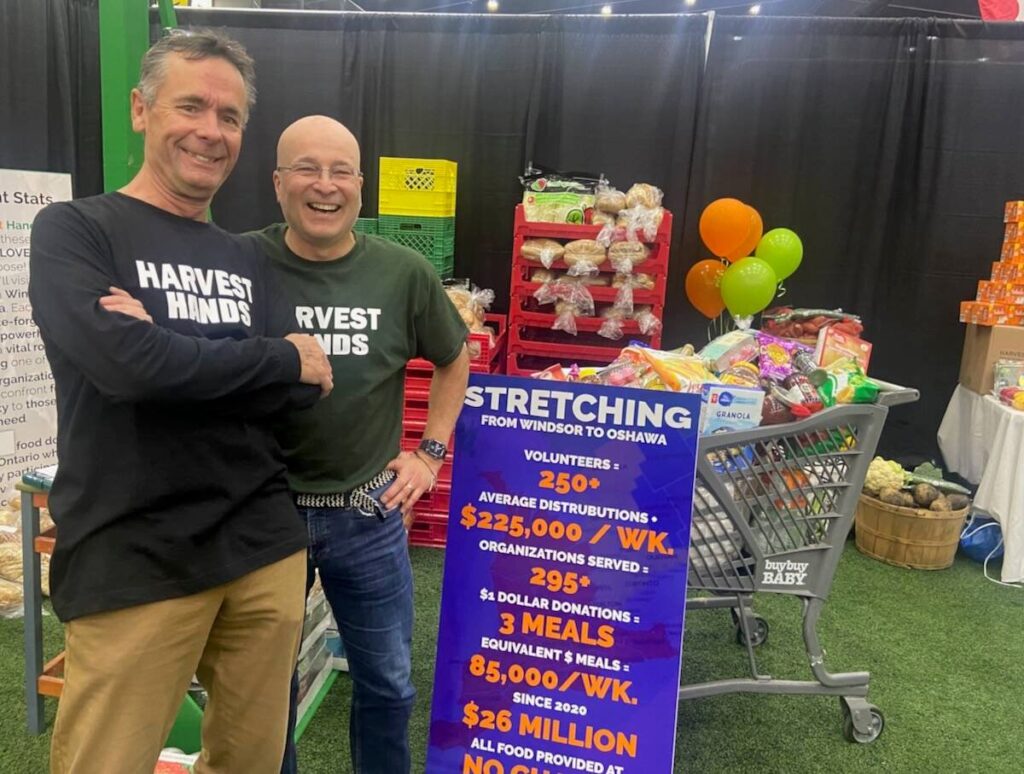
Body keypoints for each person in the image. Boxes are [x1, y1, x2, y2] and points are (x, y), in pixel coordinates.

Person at [29, 31, 334, 774]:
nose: (210, 130)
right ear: (141, 109)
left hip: (263, 549)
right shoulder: (76, 230)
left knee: (252, 762)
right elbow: (128, 369)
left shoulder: (246, 257)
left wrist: (170, 349)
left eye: (229, 116)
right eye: (190, 106)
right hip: (135, 556)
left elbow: (300, 391)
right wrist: (265, 358)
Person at [249, 115, 470, 774]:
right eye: (307, 169)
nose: (325, 186)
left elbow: (454, 359)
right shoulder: (240, 261)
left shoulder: (402, 272)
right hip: (264, 514)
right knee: (261, 692)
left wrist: (429, 454)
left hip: (367, 513)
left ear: (360, 185)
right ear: (278, 183)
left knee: (388, 683)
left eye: (340, 170)